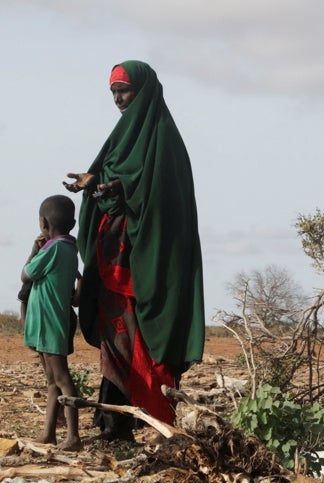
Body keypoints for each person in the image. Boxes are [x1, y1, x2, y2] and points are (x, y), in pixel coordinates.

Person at [63, 60, 204, 441]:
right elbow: (113, 187)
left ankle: (158, 424)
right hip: (114, 261)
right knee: (115, 339)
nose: (118, 100)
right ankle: (115, 423)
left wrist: (121, 191)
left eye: (123, 91)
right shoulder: (120, 140)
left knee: (147, 339)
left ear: (143, 91)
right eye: (113, 93)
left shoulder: (165, 144)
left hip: (147, 264)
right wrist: (98, 184)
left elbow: (161, 204)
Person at [21, 194, 82, 451]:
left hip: (49, 322)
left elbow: (26, 274)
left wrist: (34, 250)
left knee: (62, 377)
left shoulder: (54, 248)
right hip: (54, 319)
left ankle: (74, 436)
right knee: (51, 379)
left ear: (43, 223)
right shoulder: (69, 247)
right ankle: (49, 433)